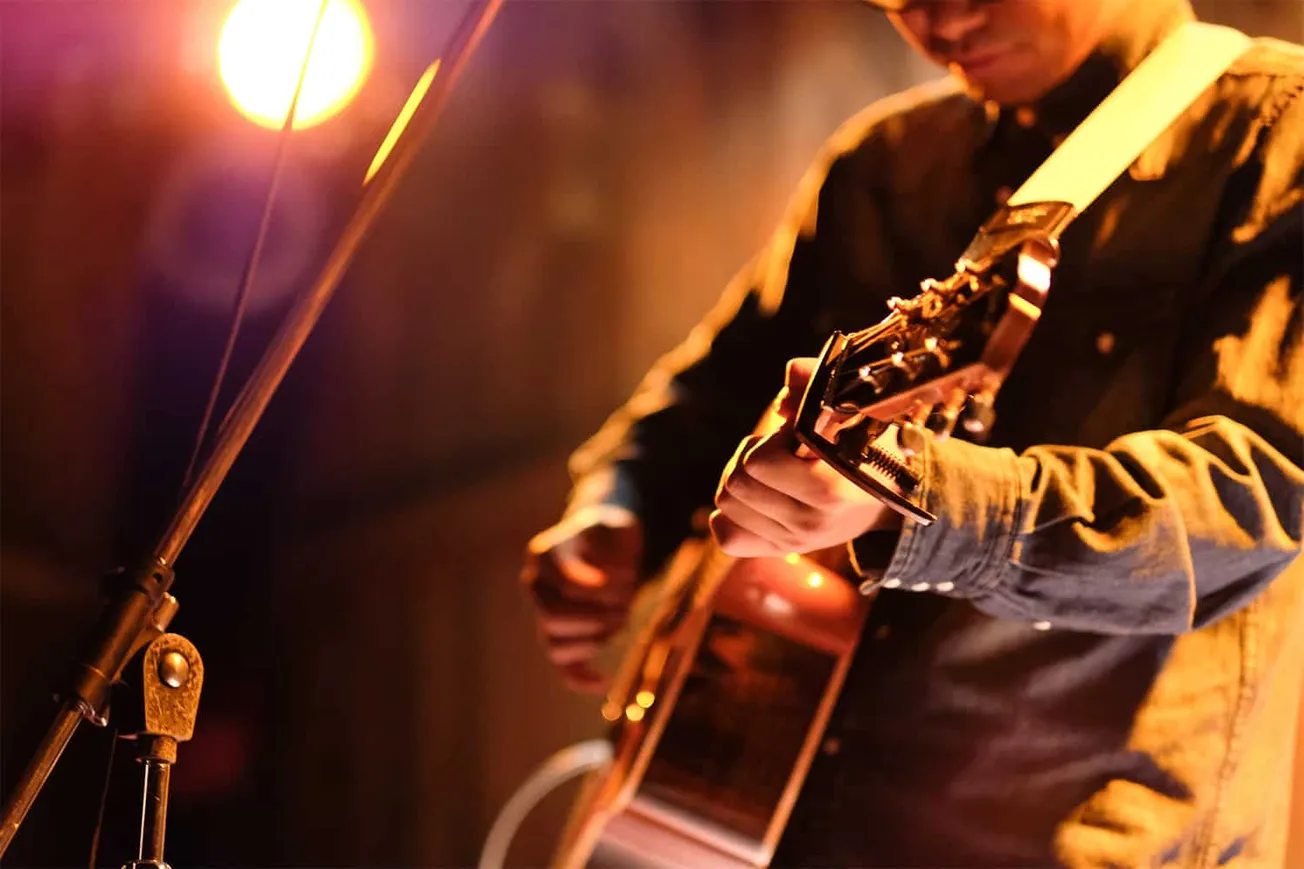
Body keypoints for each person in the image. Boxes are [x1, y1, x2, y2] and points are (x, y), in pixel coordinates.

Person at [520, 0, 1304, 865]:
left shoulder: (1279, 131)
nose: (937, 17)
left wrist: (914, 505)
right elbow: (703, 400)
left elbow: (1248, 496)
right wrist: (619, 509)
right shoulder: (881, 166)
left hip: (1070, 835)